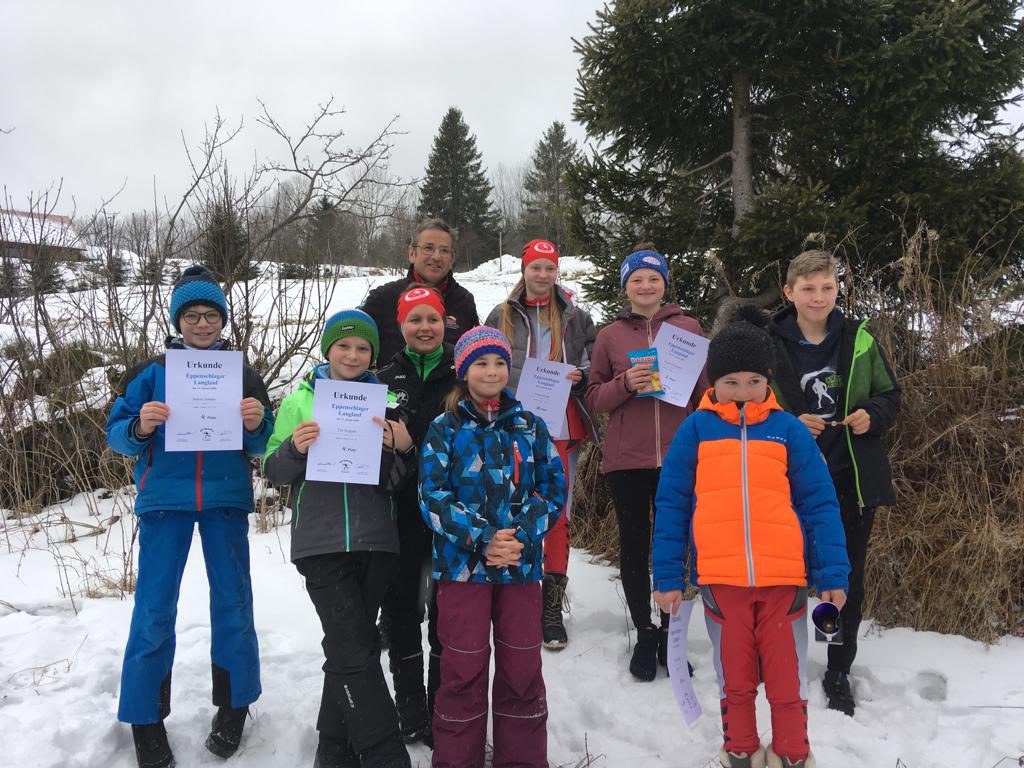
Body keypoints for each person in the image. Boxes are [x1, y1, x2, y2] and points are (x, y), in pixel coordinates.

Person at [652, 303, 850, 768]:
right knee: (734, 678)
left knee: (786, 677)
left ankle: (792, 753)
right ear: (713, 383)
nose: (743, 392)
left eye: (754, 382)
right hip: (722, 582)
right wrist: (666, 575)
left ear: (768, 380)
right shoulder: (695, 430)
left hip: (784, 582)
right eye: (731, 382)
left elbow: (820, 504)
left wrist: (832, 572)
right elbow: (672, 505)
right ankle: (739, 749)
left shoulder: (788, 431)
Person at [106, 265, 274, 768]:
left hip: (225, 498)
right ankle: (145, 718)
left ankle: (235, 704)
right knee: (154, 611)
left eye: (212, 315)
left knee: (234, 605)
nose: (203, 324)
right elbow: (115, 433)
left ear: (224, 320)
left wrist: (255, 423)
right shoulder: (152, 371)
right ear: (179, 320)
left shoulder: (242, 372)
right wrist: (139, 425)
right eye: (193, 315)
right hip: (165, 500)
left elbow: (264, 441)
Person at [263, 309, 413, 768]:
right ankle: (385, 754)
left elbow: (406, 480)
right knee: (351, 645)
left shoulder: (387, 402)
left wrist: (404, 446)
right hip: (321, 539)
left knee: (354, 646)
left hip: (375, 537)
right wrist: (293, 447)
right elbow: (273, 471)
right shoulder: (298, 400)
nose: (352, 354)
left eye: (363, 347)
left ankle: (333, 748)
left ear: (373, 355)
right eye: (343, 345)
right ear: (327, 349)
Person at [418, 326, 566, 768]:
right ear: (464, 371)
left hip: (521, 569)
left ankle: (520, 759)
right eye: (481, 363)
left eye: (499, 362)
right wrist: (483, 539)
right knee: (462, 672)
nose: (492, 370)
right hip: (462, 571)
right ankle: (456, 759)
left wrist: (519, 536)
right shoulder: (444, 429)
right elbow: (432, 496)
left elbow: (554, 487)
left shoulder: (530, 425)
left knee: (522, 672)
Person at [767, 249, 901, 716]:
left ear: (837, 289)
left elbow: (890, 394)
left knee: (842, 578)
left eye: (827, 287)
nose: (818, 296)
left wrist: (874, 415)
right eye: (808, 288)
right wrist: (784, 420)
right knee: (784, 575)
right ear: (789, 293)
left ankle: (837, 662)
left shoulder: (859, 337)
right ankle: (780, 656)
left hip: (849, 479)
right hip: (786, 480)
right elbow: (744, 401)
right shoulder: (768, 342)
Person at [585, 245, 707, 681]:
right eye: (636, 279)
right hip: (627, 459)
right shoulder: (610, 337)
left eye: (653, 278)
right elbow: (594, 397)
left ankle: (673, 633)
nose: (645, 285)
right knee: (635, 547)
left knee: (674, 548)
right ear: (625, 287)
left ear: (664, 284)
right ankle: (645, 632)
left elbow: (705, 397)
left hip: (678, 458)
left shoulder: (688, 328)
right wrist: (626, 384)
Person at [483, 238, 598, 650]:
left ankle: (551, 603)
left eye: (550, 268)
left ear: (557, 272)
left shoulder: (574, 316)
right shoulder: (502, 314)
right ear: (524, 270)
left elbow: (593, 361)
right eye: (536, 268)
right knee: (512, 508)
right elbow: (483, 360)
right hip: (512, 425)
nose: (543, 275)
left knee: (556, 514)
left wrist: (581, 375)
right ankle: (517, 596)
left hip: (561, 427)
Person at [375, 286, 457, 747]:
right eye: (414, 319)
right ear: (402, 325)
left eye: (432, 319)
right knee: (402, 609)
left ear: (444, 322)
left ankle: (443, 704)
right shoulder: (382, 377)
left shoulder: (462, 373)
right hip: (400, 512)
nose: (424, 327)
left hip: (451, 519)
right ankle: (409, 705)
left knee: (448, 613)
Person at [362, 218, 480, 364]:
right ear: (412, 253)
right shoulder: (383, 299)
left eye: (444, 250)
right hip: (392, 386)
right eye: (428, 248)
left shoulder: (464, 301)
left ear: (452, 258)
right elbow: (351, 345)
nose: (436, 257)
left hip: (448, 386)